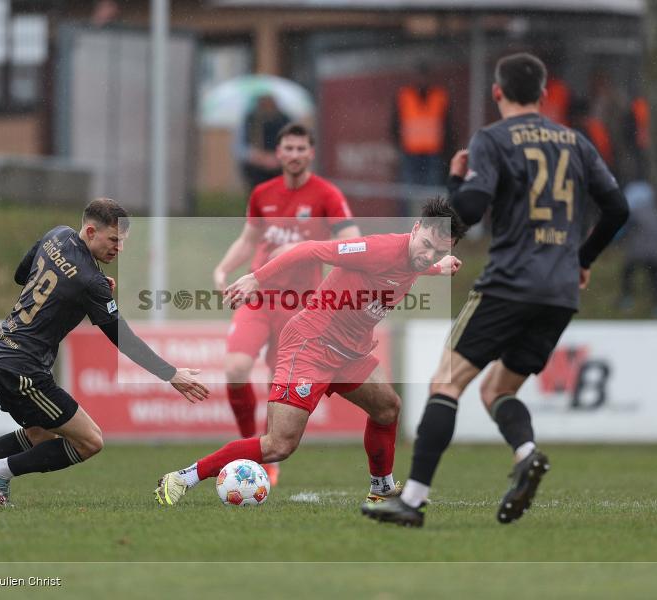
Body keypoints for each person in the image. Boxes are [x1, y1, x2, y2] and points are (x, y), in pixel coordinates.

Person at [362, 53, 629, 528]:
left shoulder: (493, 139)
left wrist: (455, 179)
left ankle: (414, 500)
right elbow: (616, 209)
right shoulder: (575, 141)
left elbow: (468, 209)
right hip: (560, 290)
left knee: (446, 384)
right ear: (545, 94)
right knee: (497, 389)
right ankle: (526, 453)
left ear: (497, 92)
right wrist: (582, 260)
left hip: (510, 282)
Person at [155, 198, 465, 507]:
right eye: (426, 245)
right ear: (415, 229)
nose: (428, 254)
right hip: (311, 345)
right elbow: (309, 249)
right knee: (279, 445)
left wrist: (438, 267)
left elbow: (406, 267)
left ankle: (381, 489)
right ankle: (183, 477)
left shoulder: (415, 258)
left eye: (439, 251)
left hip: (350, 353)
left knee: (387, 408)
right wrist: (256, 278)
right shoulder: (378, 249)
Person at [0, 198, 209, 506]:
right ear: (91, 231)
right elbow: (123, 338)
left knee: (39, 434)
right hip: (24, 368)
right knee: (89, 441)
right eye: (114, 240)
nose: (119, 248)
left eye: (122, 241)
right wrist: (171, 374)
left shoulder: (57, 235)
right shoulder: (91, 281)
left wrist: (78, 290)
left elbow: (23, 275)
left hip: (0, 349)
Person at [214, 123, 360, 485]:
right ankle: (248, 445)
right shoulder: (263, 193)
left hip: (301, 308)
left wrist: (309, 253)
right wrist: (223, 267)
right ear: (278, 154)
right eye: (288, 149)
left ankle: (267, 456)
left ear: (311, 153)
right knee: (235, 368)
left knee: (279, 385)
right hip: (259, 297)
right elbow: (248, 240)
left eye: (301, 149)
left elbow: (353, 242)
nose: (294, 155)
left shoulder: (327, 195)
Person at [392, 63, 452, 217]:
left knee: (433, 193)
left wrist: (447, 151)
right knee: (407, 194)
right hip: (410, 153)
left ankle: (434, 227)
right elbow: (394, 124)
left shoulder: (440, 96)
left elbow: (448, 126)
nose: (421, 80)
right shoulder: (404, 96)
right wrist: (398, 147)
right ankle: (405, 227)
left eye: (424, 76)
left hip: (433, 153)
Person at [617, 181, 657, 317]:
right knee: (656, 279)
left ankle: (627, 298)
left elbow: (623, 230)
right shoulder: (656, 212)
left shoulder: (635, 213)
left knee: (628, 272)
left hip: (638, 252)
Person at [238, 95, 291, 190]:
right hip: (256, 166)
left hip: (280, 163)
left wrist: (277, 157)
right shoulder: (252, 120)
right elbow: (242, 147)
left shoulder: (284, 119)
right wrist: (259, 156)